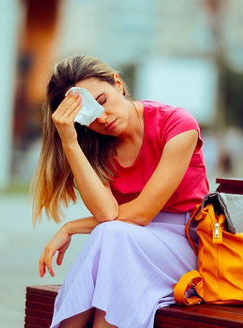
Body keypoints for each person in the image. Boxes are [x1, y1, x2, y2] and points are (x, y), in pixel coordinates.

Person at [32, 54, 209, 328]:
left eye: (102, 100)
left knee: (110, 234)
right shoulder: (92, 145)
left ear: (118, 84)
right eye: (87, 115)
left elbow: (141, 214)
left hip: (187, 245)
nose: (101, 118)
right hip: (124, 244)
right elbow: (106, 213)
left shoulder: (177, 124)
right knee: (111, 236)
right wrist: (69, 140)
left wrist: (72, 227)